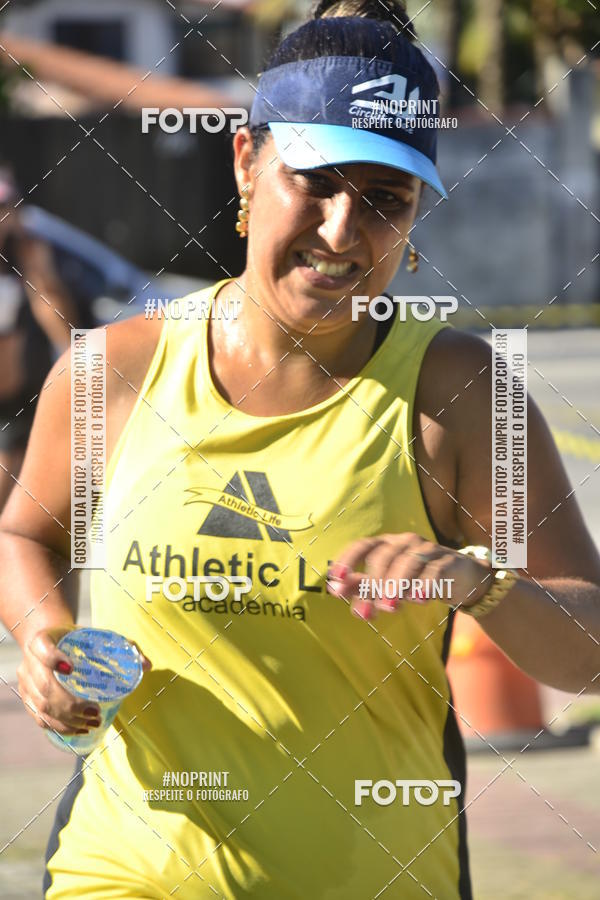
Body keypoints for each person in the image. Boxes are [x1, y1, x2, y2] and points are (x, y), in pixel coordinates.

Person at [1, 2, 599, 898]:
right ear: (247, 162)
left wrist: (485, 583)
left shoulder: (460, 395)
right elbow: (26, 534)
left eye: (384, 201)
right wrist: (45, 640)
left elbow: (586, 649)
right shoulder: (112, 371)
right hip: (124, 873)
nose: (340, 233)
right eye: (315, 181)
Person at [0, 166, 80, 510]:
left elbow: (51, 308)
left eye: (9, 208)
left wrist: (73, 354)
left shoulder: (24, 254)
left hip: (18, 398)